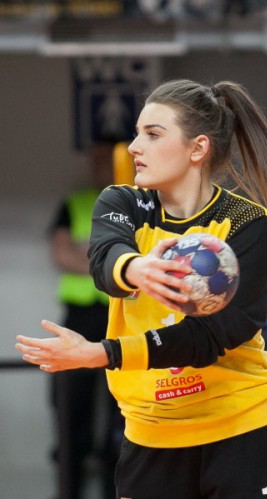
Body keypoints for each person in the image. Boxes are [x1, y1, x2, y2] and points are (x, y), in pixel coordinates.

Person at [17, 79, 267, 499]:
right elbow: (104, 260)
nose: (133, 147)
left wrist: (104, 353)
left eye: (152, 134)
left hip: (242, 430)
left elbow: (212, 336)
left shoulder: (251, 225)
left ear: (198, 148)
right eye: (137, 133)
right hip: (151, 437)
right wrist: (136, 268)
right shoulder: (121, 202)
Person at [48, 140, 124, 499]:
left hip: (120, 316)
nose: (100, 166)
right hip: (78, 317)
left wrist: (88, 255)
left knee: (121, 414)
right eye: (95, 159)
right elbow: (61, 253)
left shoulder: (135, 203)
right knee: (70, 409)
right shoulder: (75, 203)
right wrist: (107, 265)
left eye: (107, 159)